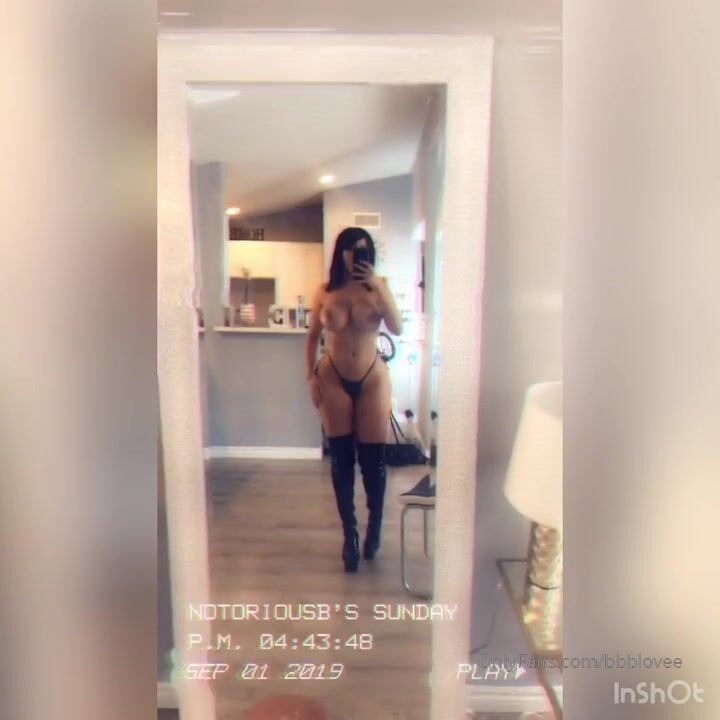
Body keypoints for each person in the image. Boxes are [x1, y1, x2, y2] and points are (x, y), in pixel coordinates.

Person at [305, 227, 403, 572]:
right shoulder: (324, 291)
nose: (354, 256)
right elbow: (312, 338)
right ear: (340, 253)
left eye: (361, 250)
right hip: (332, 377)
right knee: (341, 460)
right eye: (348, 249)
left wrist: (377, 285)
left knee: (373, 461)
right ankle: (350, 536)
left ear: (369, 254)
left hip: (372, 377)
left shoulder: (379, 288)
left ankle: (374, 529)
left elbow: (398, 327)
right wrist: (309, 377)